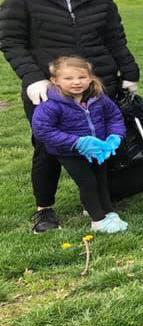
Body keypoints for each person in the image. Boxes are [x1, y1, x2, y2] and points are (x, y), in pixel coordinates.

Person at [0, 0, 139, 234]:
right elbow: (11, 42)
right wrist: (32, 77)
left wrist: (129, 71)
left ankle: (98, 202)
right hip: (49, 90)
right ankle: (44, 208)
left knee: (100, 144)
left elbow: (116, 39)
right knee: (48, 147)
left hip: (95, 85)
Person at [30, 57, 128, 233]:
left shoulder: (98, 97)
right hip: (68, 152)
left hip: (98, 149)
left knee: (101, 180)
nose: (76, 82)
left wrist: (115, 136)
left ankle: (108, 213)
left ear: (90, 78)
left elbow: (114, 117)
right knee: (88, 182)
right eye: (68, 78)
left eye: (81, 77)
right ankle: (98, 220)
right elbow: (43, 130)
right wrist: (77, 142)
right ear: (55, 80)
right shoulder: (51, 104)